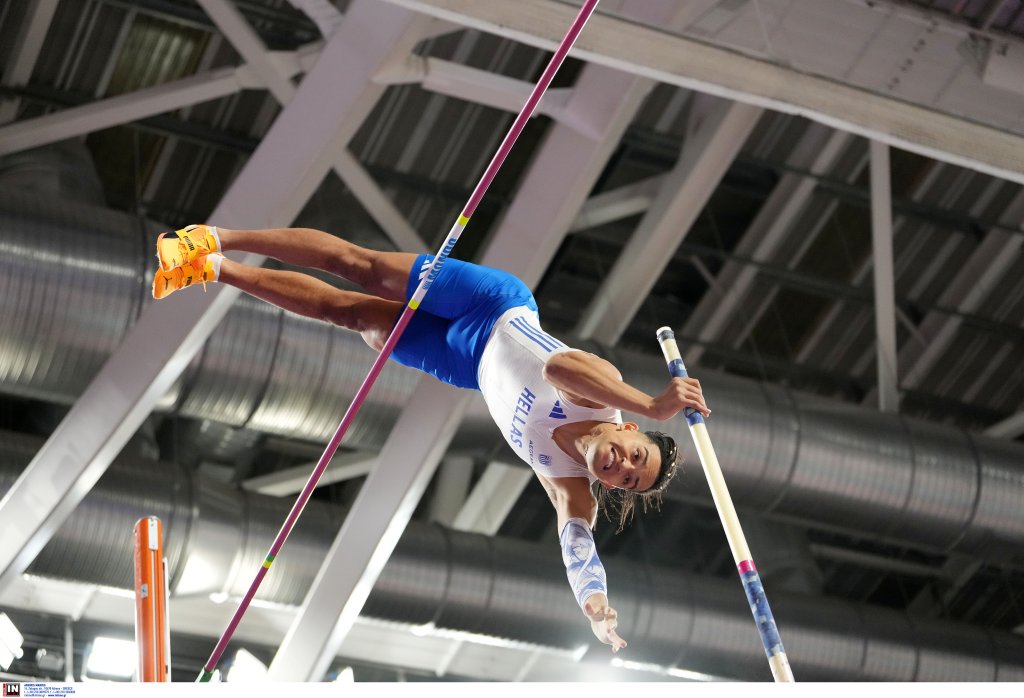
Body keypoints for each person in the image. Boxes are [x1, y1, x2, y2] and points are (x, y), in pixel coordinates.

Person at [152, 224, 710, 652]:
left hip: (464, 362)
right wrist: (654, 403)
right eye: (635, 457)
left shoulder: (571, 486)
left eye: (627, 481)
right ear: (630, 429)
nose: (621, 468)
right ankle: (215, 237)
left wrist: (596, 604)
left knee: (350, 315)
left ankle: (211, 268)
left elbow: (578, 548)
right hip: (492, 305)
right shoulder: (604, 392)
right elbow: (557, 368)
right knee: (361, 267)